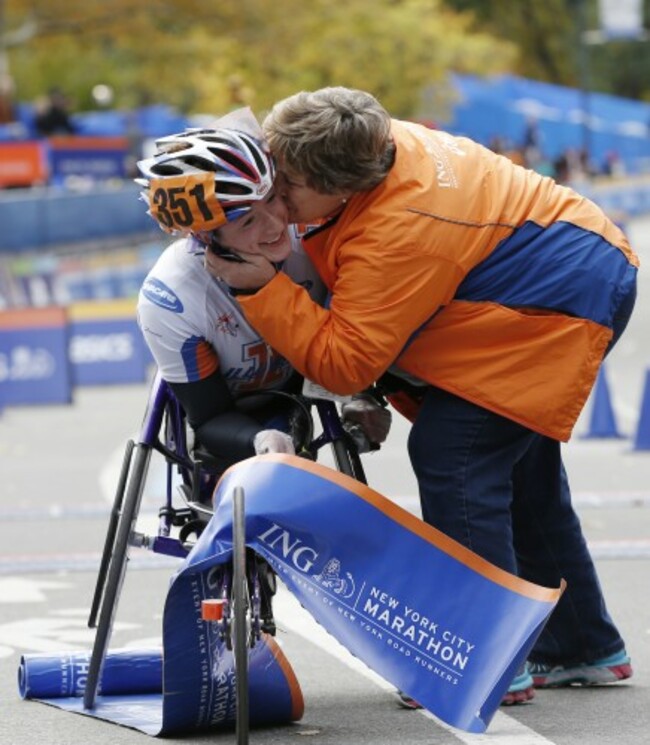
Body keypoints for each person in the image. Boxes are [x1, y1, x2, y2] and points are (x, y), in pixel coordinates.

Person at [204, 87, 638, 706]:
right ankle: (583, 648)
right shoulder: (355, 137)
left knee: (455, 454)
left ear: (341, 187)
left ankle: (482, 664)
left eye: (288, 188)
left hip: (558, 300)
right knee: (525, 476)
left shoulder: (401, 232)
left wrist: (260, 290)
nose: (275, 196)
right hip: (568, 262)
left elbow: (345, 361)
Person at [135, 109, 390, 486]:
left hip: (296, 393)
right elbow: (209, 418)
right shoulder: (172, 295)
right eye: (247, 221)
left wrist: (361, 393)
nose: (275, 226)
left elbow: (352, 334)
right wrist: (260, 440)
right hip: (225, 416)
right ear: (205, 236)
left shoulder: (316, 239)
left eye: (273, 198)